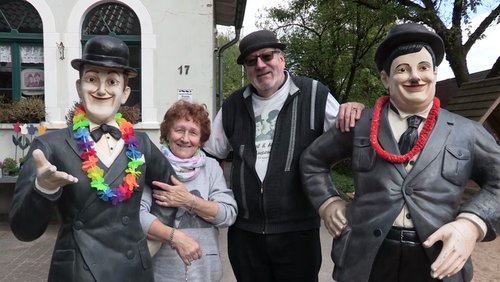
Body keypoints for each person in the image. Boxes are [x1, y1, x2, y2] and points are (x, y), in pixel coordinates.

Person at [300, 23, 500, 282]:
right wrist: (328, 202)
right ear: (386, 79)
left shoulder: (467, 132)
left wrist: (471, 224)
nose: (415, 77)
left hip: (436, 259)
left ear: (435, 73)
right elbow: (312, 160)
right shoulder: (360, 125)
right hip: (367, 259)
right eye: (403, 69)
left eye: (424, 67)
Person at [9, 36, 176, 282]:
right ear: (79, 87)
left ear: (125, 92)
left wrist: (152, 243)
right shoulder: (49, 146)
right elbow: (23, 231)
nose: (101, 89)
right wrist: (42, 189)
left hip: (133, 271)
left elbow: (169, 190)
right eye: (92, 79)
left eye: (112, 81)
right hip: (77, 271)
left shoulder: (141, 144)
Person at [203, 29, 364, 282]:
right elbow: (211, 156)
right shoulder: (233, 105)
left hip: (297, 232)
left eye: (267, 56)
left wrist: (355, 109)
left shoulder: (314, 95)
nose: (260, 65)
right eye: (251, 61)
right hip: (245, 234)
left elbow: (358, 140)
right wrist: (216, 199)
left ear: (282, 59)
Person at [140, 100, 237, 282]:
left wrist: (188, 201)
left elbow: (228, 214)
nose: (185, 138)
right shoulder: (153, 165)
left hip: (205, 273)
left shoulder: (211, 167)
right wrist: (175, 237)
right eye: (179, 130)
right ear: (167, 133)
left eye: (193, 132)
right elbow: (137, 217)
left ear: (201, 139)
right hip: (161, 274)